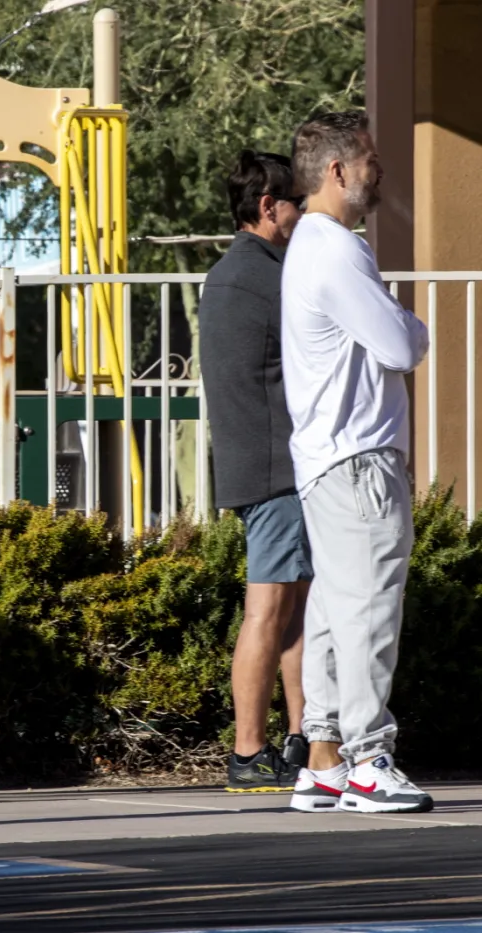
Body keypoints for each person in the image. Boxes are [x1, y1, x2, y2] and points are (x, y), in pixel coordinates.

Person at [281, 111, 432, 814]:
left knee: (334, 610)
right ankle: (369, 761)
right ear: (337, 171)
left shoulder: (311, 246)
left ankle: (324, 761)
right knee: (368, 609)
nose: (380, 171)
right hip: (359, 458)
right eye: (370, 161)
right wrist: (412, 325)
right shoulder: (337, 250)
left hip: (328, 459)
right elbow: (401, 345)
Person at [199, 151, 309, 793]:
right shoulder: (264, 275)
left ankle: (301, 737)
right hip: (277, 467)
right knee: (269, 610)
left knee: (294, 611)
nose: (306, 214)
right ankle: (248, 751)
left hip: (262, 462)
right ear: (269, 207)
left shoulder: (231, 273)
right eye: (298, 202)